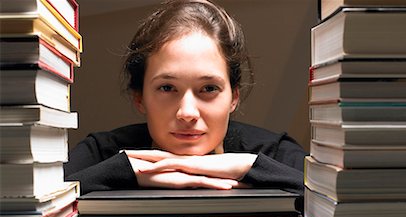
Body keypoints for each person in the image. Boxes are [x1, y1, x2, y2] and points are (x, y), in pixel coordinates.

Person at [64, 0, 307, 198]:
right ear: (139, 98)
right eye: (167, 87)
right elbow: (38, 207)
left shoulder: (275, 153)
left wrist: (250, 168)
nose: (187, 112)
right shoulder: (101, 152)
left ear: (233, 97)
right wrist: (124, 171)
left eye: (209, 88)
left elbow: (334, 208)